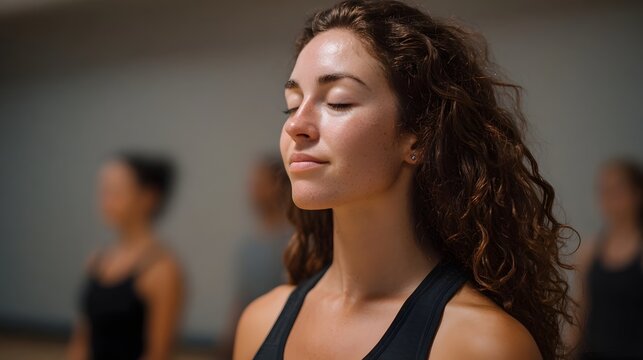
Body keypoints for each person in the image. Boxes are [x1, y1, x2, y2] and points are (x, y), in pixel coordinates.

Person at [233, 1, 575, 359]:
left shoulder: (481, 345)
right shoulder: (260, 322)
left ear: (418, 138)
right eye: (293, 103)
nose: (294, 125)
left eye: (338, 101)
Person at [67, 152, 184, 360]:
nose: (105, 200)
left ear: (148, 197)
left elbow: (157, 353)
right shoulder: (98, 260)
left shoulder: (162, 269)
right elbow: (81, 341)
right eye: (103, 191)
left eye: (115, 191)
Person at [216, 154, 293, 358]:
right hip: (250, 342)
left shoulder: (295, 242)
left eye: (259, 183)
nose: (252, 190)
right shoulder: (248, 245)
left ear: (278, 185)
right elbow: (242, 300)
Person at [572, 158, 643, 359]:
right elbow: (581, 312)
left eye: (617, 190)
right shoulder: (590, 250)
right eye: (603, 191)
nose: (609, 198)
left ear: (637, 194)